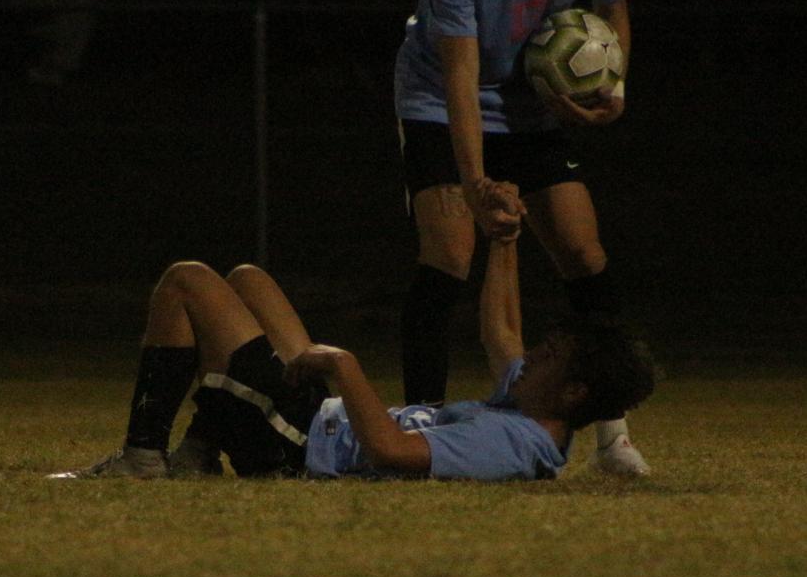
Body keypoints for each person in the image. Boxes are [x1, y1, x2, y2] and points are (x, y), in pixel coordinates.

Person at [46, 182, 655, 482]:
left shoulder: (515, 446)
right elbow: (501, 328)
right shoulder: (534, 407)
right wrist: (505, 239)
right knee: (249, 280)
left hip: (297, 442)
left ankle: (142, 457)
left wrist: (344, 365)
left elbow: (392, 453)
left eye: (550, 357)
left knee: (187, 282)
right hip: (316, 415)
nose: (531, 358)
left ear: (574, 393)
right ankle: (200, 453)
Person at [392, 0, 648, 475]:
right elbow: (459, 73)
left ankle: (611, 436)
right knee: (448, 251)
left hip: (527, 102)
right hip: (441, 102)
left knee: (582, 248)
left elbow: (612, 7)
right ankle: (417, 423)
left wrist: (613, 91)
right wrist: (476, 183)